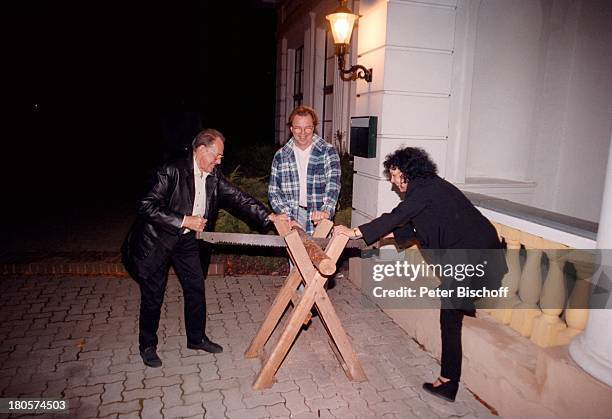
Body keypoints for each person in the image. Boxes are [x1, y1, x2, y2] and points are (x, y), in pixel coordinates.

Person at [334, 147, 506, 402]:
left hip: (479, 255)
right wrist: (379, 236)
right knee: (451, 301)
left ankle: (448, 382)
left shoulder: (423, 189)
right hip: (473, 253)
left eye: (393, 174)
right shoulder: (428, 189)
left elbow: (398, 216)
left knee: (449, 314)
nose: (392, 180)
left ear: (406, 173)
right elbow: (415, 225)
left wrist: (356, 232)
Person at [122, 128, 287, 367]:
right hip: (158, 240)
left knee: (196, 287)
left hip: (186, 241)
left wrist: (269, 217)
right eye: (216, 155)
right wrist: (183, 220)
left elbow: (238, 198)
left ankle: (196, 338)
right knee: (153, 296)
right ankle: (147, 345)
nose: (219, 161)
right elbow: (146, 206)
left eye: (220, 157)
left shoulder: (213, 176)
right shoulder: (171, 170)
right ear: (200, 150)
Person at [269, 105, 341, 236]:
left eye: (307, 128)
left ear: (313, 128)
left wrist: (326, 211)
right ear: (291, 129)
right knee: (295, 256)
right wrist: (288, 217)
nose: (302, 133)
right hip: (292, 216)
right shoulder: (280, 156)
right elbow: (274, 192)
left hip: (318, 217)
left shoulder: (328, 152)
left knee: (321, 255)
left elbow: (333, 185)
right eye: (298, 128)